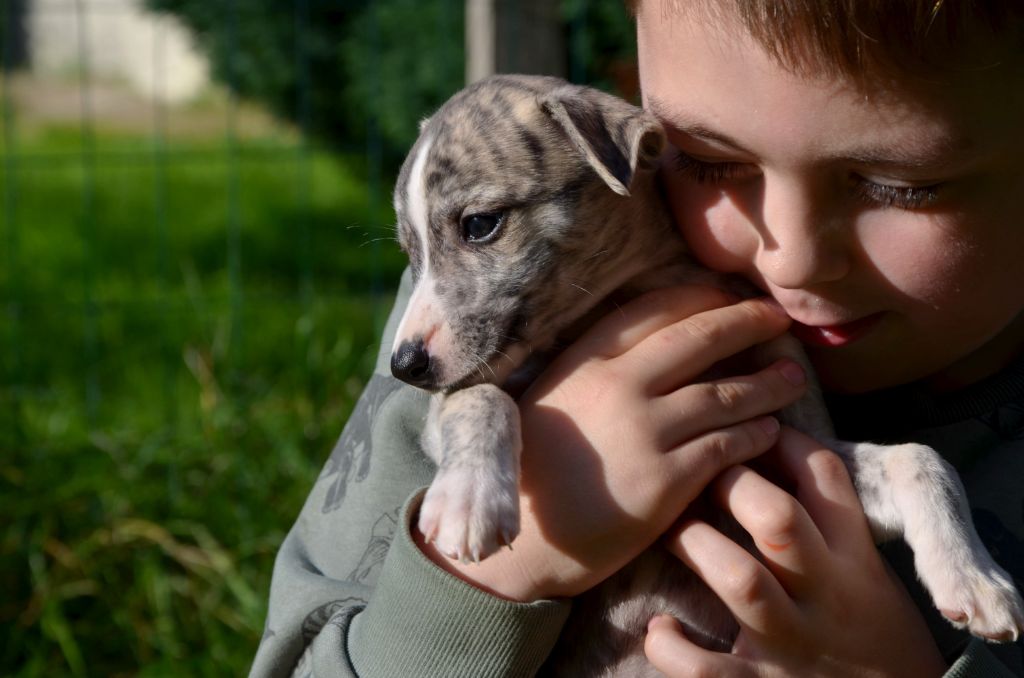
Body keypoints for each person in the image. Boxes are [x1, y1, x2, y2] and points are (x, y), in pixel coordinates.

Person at [249, 0, 1024, 675]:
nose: (792, 257)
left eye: (901, 184)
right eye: (708, 163)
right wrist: (505, 570)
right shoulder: (476, 345)